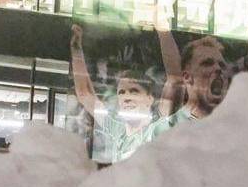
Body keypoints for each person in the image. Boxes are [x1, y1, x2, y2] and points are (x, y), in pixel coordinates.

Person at [69, 24, 180, 163]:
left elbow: (174, 79)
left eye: (134, 91)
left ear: (149, 98)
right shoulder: (117, 130)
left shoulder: (156, 129)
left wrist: (162, 26)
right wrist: (76, 49)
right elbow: (85, 95)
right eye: (121, 92)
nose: (126, 97)